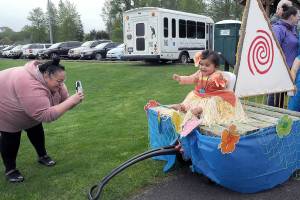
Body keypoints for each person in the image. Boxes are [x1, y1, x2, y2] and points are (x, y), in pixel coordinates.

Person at [0, 58, 84, 183]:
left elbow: (63, 102)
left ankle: (42, 155)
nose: (61, 84)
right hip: (4, 103)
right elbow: (45, 115)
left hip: (21, 100)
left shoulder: (54, 81)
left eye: (63, 81)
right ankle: (10, 169)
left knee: (35, 127)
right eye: (59, 81)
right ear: (46, 75)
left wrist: (73, 101)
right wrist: (71, 101)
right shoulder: (29, 84)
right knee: (11, 134)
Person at [170, 50, 247, 128]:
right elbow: (191, 78)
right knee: (192, 99)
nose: (203, 67)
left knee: (210, 103)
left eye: (207, 65)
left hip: (213, 95)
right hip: (200, 94)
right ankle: (183, 107)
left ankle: (200, 110)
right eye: (201, 64)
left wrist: (220, 80)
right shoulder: (199, 73)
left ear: (215, 67)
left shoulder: (217, 74)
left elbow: (224, 83)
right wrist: (180, 78)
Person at [268, 4, 299, 108]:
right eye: (297, 15)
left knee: (285, 98)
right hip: (280, 69)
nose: (298, 18)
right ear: (291, 17)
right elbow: (275, 48)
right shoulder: (278, 28)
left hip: (292, 70)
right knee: (275, 97)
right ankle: (270, 117)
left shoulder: (293, 29)